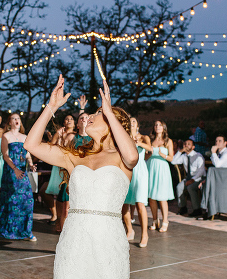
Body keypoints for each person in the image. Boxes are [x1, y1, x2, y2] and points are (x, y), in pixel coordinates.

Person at [25, 76, 138, 278]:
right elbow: (31, 145)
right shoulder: (74, 156)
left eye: (99, 113)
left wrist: (109, 112)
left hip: (108, 241)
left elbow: (132, 156)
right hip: (75, 240)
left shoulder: (122, 158)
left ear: (114, 122)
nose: (91, 116)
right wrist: (51, 107)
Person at [0, 113, 36, 241]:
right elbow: (5, 155)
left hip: (22, 172)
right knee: (9, 200)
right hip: (11, 171)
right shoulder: (6, 136)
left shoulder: (25, 137)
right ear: (9, 122)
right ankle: (0, 231)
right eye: (13, 118)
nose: (16, 120)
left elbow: (28, 155)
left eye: (18, 118)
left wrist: (31, 165)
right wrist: (15, 169)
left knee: (27, 200)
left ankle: (25, 231)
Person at [123, 117, 151, 248]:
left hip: (140, 172)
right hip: (128, 171)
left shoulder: (144, 137)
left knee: (140, 204)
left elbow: (150, 149)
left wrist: (139, 143)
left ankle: (144, 234)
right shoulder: (124, 137)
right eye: (130, 121)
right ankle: (130, 229)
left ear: (138, 124)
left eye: (134, 121)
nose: (131, 122)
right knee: (124, 205)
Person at [44, 114, 76, 227]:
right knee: (56, 193)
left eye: (71, 119)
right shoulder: (60, 133)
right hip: (57, 165)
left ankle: (64, 221)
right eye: (66, 119)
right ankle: (57, 217)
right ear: (63, 122)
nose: (69, 120)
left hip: (67, 165)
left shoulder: (75, 135)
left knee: (65, 194)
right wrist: (57, 134)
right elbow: (51, 146)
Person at [146, 120, 175, 232]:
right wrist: (148, 154)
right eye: (156, 125)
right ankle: (155, 220)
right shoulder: (150, 140)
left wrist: (164, 155)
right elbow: (146, 156)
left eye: (160, 125)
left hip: (162, 168)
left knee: (162, 197)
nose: (157, 126)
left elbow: (171, 158)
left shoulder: (168, 141)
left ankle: (165, 221)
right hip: (151, 167)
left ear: (164, 128)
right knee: (152, 197)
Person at [173, 139, 206, 217]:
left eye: (188, 144)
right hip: (188, 178)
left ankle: (197, 209)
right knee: (179, 187)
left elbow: (201, 171)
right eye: (185, 144)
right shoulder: (183, 156)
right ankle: (183, 207)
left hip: (199, 178)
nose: (186, 145)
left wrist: (193, 180)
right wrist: (180, 151)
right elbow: (173, 161)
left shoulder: (198, 156)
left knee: (190, 187)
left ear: (193, 147)